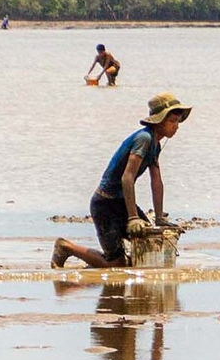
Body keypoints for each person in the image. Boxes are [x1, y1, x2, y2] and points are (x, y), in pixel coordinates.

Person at [52, 91, 190, 269]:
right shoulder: (144, 139)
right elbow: (127, 177)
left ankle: (97, 265)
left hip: (120, 202)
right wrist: (133, 217)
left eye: (177, 122)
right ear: (159, 121)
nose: (176, 127)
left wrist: (159, 218)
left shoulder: (155, 144)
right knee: (117, 262)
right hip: (106, 204)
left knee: (149, 242)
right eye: (172, 121)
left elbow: (156, 181)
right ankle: (65, 247)